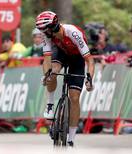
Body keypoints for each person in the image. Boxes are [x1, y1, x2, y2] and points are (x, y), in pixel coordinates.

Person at [36, 11, 94, 146]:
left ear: (54, 27)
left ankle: (71, 137)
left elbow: (90, 60)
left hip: (77, 58)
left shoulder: (73, 33)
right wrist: (47, 75)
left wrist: (90, 79)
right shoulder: (48, 35)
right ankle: (50, 105)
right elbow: (47, 59)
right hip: (61, 52)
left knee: (74, 98)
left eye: (44, 30)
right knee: (53, 71)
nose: (42, 32)